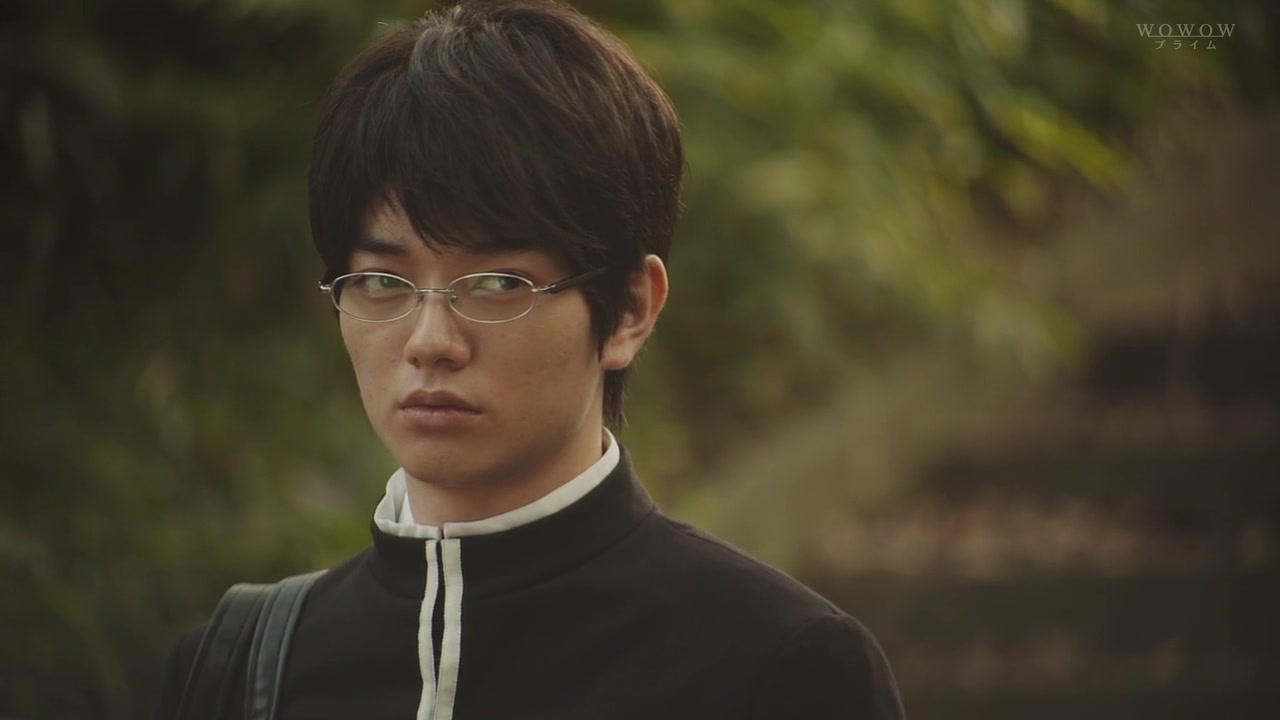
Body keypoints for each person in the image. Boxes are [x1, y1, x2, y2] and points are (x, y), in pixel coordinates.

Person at [156, 1, 904, 718]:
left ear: (629, 310)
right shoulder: (242, 667)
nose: (429, 341)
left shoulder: (780, 666)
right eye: (383, 282)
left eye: (496, 284)